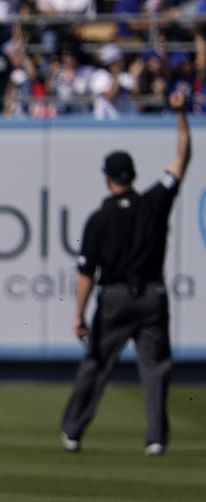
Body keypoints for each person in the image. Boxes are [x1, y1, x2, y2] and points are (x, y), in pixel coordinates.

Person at [59, 91, 191, 457]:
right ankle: (155, 439)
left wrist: (78, 313)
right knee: (156, 369)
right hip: (152, 295)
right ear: (131, 176)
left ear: (107, 179)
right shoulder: (153, 202)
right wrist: (180, 114)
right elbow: (183, 158)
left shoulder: (99, 220)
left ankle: (73, 430)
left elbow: (86, 271)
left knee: (96, 364)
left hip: (115, 297)